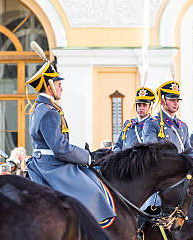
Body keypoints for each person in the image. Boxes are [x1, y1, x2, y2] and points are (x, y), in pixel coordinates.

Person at [25, 55, 115, 225]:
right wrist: (89, 157)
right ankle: (83, 236)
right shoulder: (49, 111)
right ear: (50, 86)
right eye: (59, 85)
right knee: (91, 192)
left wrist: (87, 154)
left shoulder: (43, 107)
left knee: (89, 175)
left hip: (48, 161)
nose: (61, 89)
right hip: (51, 165)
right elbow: (59, 148)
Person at [142, 81, 193, 158]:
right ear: (162, 101)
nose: (175, 103)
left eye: (177, 100)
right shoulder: (152, 123)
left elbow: (189, 151)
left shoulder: (183, 126)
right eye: (172, 100)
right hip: (162, 168)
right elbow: (152, 152)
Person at [112, 87, 156, 151]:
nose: (141, 108)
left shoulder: (154, 124)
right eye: (139, 105)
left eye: (144, 105)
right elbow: (118, 145)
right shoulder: (128, 124)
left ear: (150, 107)